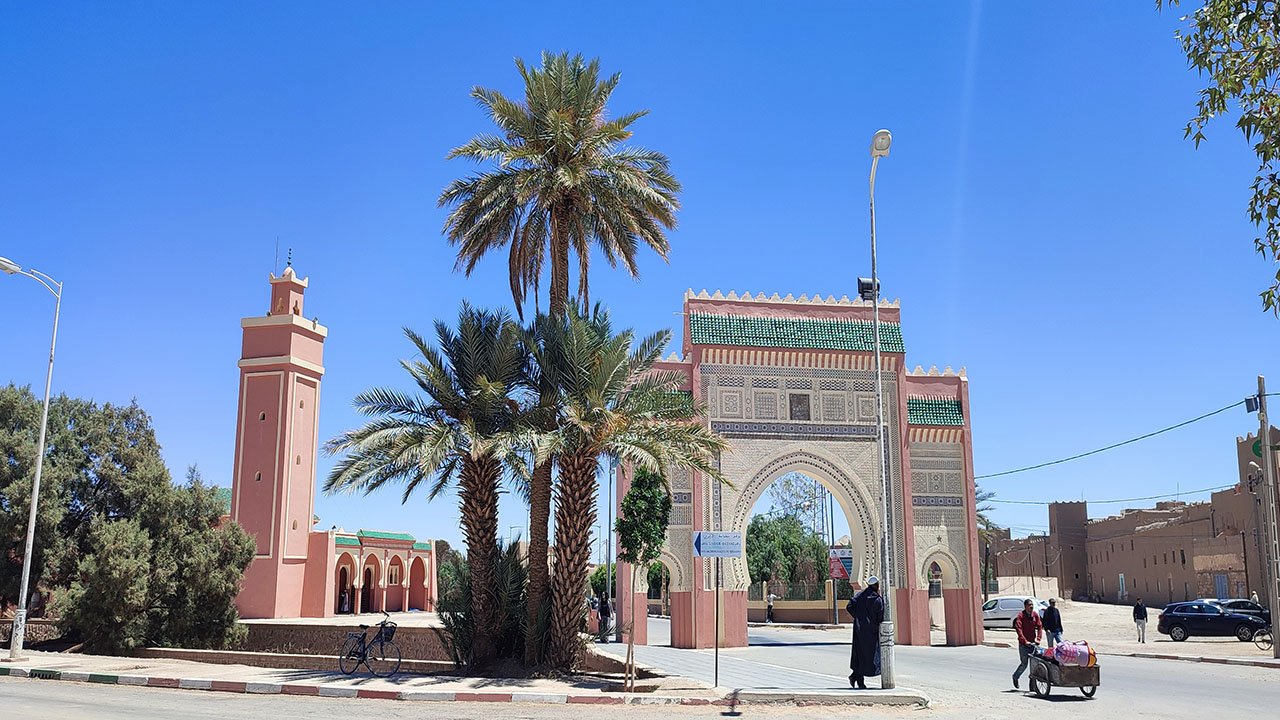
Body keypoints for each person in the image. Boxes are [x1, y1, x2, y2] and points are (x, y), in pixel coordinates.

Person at [846, 576, 885, 689]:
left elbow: (849, 606)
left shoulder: (860, 596)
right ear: (876, 585)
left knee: (859, 655)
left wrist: (858, 617)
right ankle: (857, 679)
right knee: (870, 656)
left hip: (859, 630)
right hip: (871, 632)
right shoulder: (878, 600)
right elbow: (880, 617)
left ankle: (857, 678)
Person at [1012, 598, 1043, 690]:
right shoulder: (1020, 616)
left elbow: (1040, 627)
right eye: (1029, 606)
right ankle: (1015, 676)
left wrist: (1038, 638)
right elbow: (1019, 629)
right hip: (1024, 645)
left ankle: (1032, 686)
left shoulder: (1035, 615)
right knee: (1024, 664)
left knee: (1034, 665)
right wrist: (1024, 641)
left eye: (1032, 605)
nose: (1031, 607)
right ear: (1025, 607)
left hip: (1033, 644)